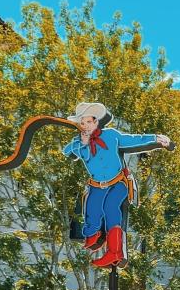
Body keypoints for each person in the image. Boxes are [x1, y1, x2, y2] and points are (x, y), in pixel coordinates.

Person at [63, 102, 171, 269]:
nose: (85, 126)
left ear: (96, 121)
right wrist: (80, 144)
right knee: (91, 208)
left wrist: (155, 138)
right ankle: (94, 236)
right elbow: (67, 151)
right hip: (96, 185)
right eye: (82, 123)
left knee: (110, 207)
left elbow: (133, 140)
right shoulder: (79, 143)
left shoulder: (111, 135)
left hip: (118, 182)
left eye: (88, 122)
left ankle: (115, 252)